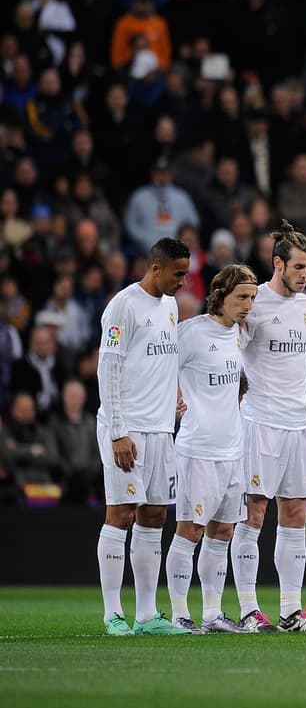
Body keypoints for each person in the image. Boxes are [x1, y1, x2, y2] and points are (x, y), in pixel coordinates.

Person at [229, 221, 306, 633]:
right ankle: (248, 609)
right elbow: (232, 354)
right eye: (298, 267)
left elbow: (301, 359)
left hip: (299, 422)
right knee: (253, 512)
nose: (305, 274)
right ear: (278, 263)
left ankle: (292, 611)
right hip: (260, 420)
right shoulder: (253, 303)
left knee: (295, 512)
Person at [95, 237, 192, 636]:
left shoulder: (170, 306)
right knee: (121, 513)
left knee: (154, 516)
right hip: (128, 428)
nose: (182, 282)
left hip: (160, 429)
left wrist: (175, 395)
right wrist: (118, 432)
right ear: (156, 268)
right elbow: (109, 368)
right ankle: (113, 614)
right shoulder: (123, 305)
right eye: (177, 274)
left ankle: (148, 615)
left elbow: (163, 359)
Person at [164, 264, 258, 633]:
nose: (248, 305)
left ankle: (213, 614)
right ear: (219, 295)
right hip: (198, 448)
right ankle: (179, 614)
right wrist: (173, 398)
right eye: (242, 297)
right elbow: (158, 369)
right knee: (190, 529)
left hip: (233, 449)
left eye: (252, 298)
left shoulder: (240, 333)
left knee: (222, 532)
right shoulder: (190, 333)